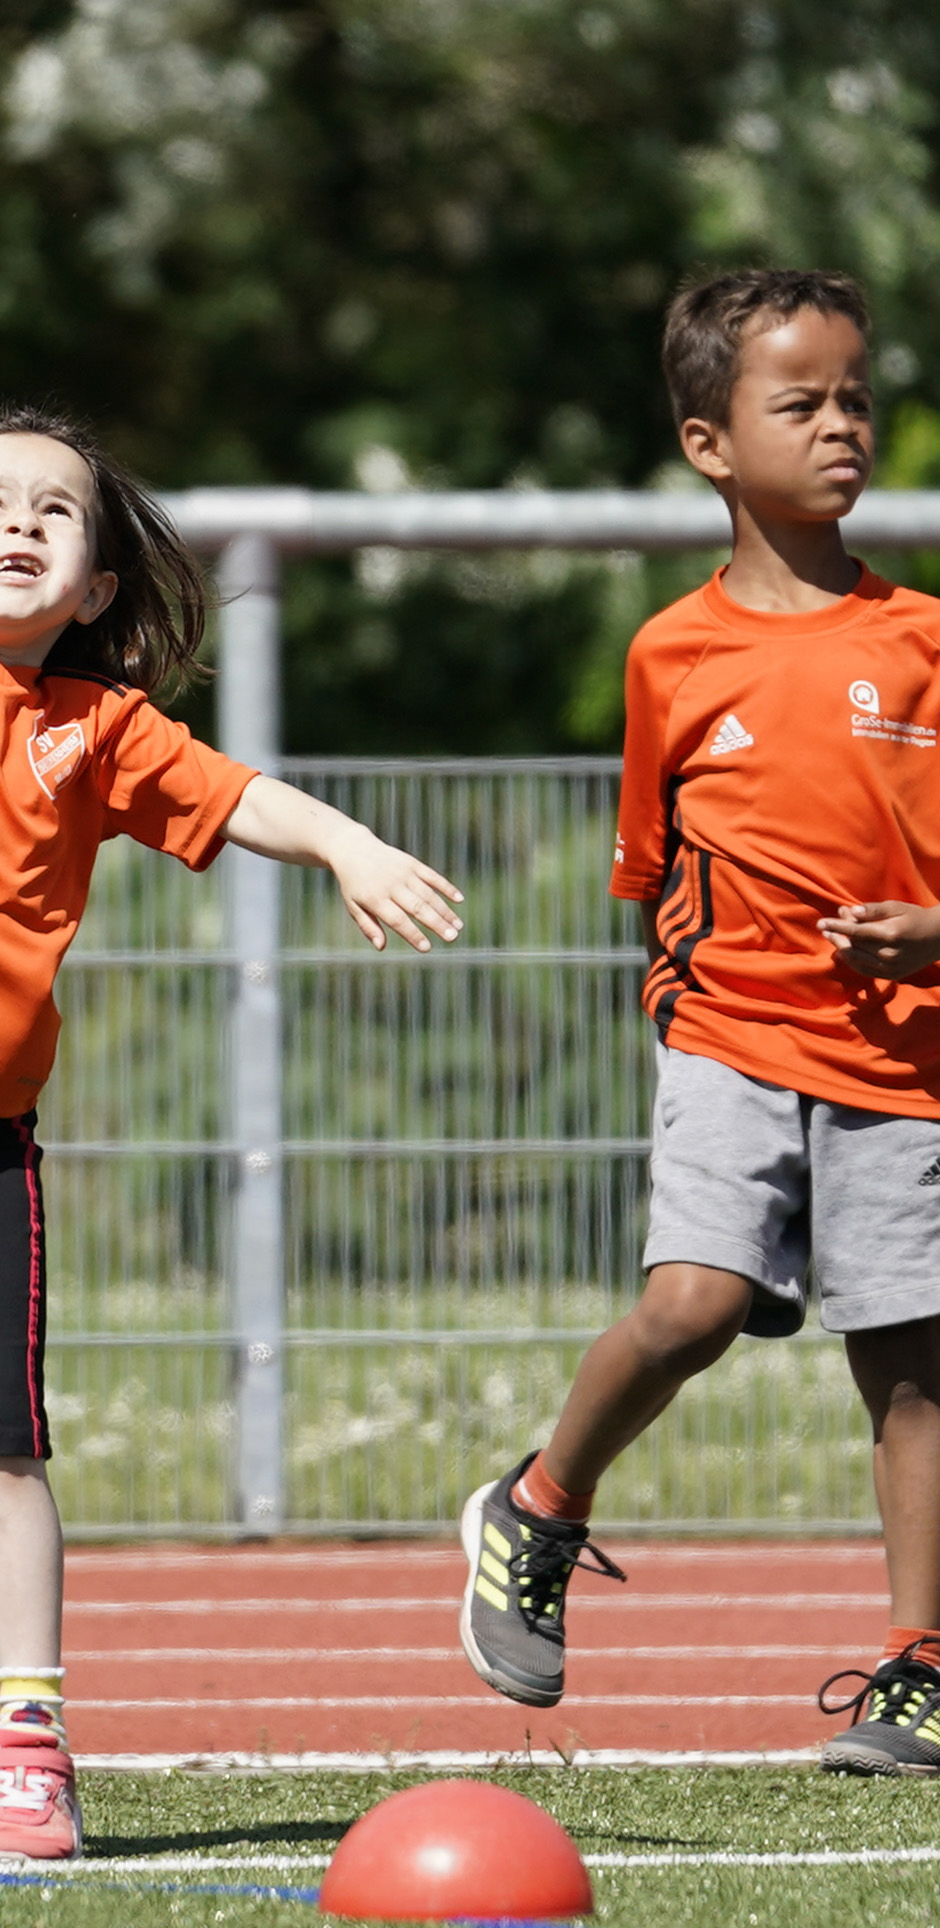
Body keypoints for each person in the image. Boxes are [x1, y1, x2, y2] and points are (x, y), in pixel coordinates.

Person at [0, 142, 464, 1863]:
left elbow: (242, 794)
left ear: (94, 586)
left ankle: (31, 1741)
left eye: (55, 514)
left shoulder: (98, 729)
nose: (18, 522)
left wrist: (348, 844)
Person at [458, 268, 940, 1775]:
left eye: (856, 396)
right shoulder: (671, 654)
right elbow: (652, 877)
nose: (842, 426)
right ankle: (539, 1504)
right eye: (799, 403)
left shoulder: (927, 636)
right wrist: (703, 1004)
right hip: (731, 1038)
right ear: (708, 443)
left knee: (914, 1372)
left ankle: (920, 1674)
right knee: (696, 1308)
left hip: (908, 1063)